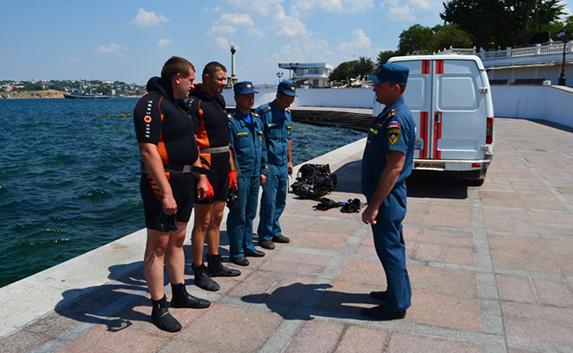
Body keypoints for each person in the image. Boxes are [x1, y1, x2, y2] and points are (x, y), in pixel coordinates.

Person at [133, 56, 210, 333]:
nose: (193, 85)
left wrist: (200, 176)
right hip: (162, 182)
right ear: (177, 78)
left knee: (178, 239)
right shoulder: (151, 103)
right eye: (190, 79)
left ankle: (179, 293)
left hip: (184, 179)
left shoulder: (180, 107)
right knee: (158, 246)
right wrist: (166, 193)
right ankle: (158, 305)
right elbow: (148, 150)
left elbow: (191, 145)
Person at [360, 63, 416, 321]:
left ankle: (396, 306)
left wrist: (374, 205)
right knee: (393, 247)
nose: (374, 88)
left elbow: (394, 166)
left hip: (387, 198)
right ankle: (397, 293)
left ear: (396, 88)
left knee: (389, 248)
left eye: (379, 85)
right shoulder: (391, 112)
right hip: (387, 197)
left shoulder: (395, 118)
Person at [186, 62, 240, 292]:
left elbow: (226, 140)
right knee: (202, 221)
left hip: (221, 164)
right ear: (206, 78)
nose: (223, 83)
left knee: (218, 218)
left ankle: (215, 261)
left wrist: (231, 169)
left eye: (225, 79)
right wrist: (200, 175)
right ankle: (198, 268)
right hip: (205, 167)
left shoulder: (218, 101)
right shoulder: (194, 104)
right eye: (219, 79)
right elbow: (191, 142)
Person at [226, 81, 267, 266]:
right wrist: (231, 174)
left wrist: (262, 170)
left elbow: (262, 147)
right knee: (238, 215)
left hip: (255, 174)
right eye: (246, 96)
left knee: (250, 213)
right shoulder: (232, 122)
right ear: (236, 98)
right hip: (240, 175)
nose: (251, 99)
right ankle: (236, 252)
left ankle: (248, 245)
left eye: (252, 95)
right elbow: (229, 150)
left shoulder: (257, 120)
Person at [255, 81, 296, 250]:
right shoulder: (264, 112)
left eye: (292, 99)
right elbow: (258, 140)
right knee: (269, 201)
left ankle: (274, 230)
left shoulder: (287, 114)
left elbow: (288, 138)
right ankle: (265, 235)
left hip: (281, 163)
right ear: (278, 95)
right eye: (287, 99)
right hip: (269, 164)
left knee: (281, 200)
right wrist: (261, 166)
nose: (290, 102)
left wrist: (290, 160)